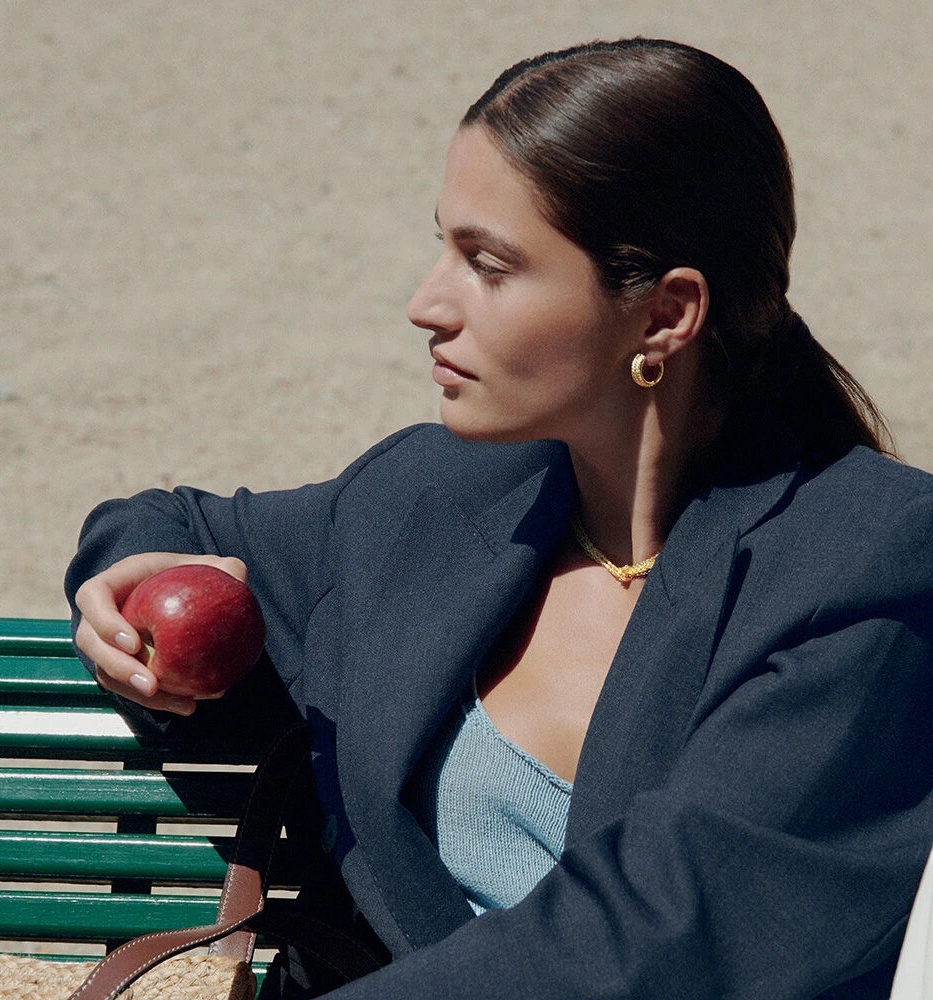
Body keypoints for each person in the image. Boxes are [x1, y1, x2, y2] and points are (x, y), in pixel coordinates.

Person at [67, 37, 933, 999]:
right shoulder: (432, 498)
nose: (425, 303)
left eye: (487, 263)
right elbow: (173, 526)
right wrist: (131, 590)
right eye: (443, 244)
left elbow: (658, 937)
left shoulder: (867, 569)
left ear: (665, 315)